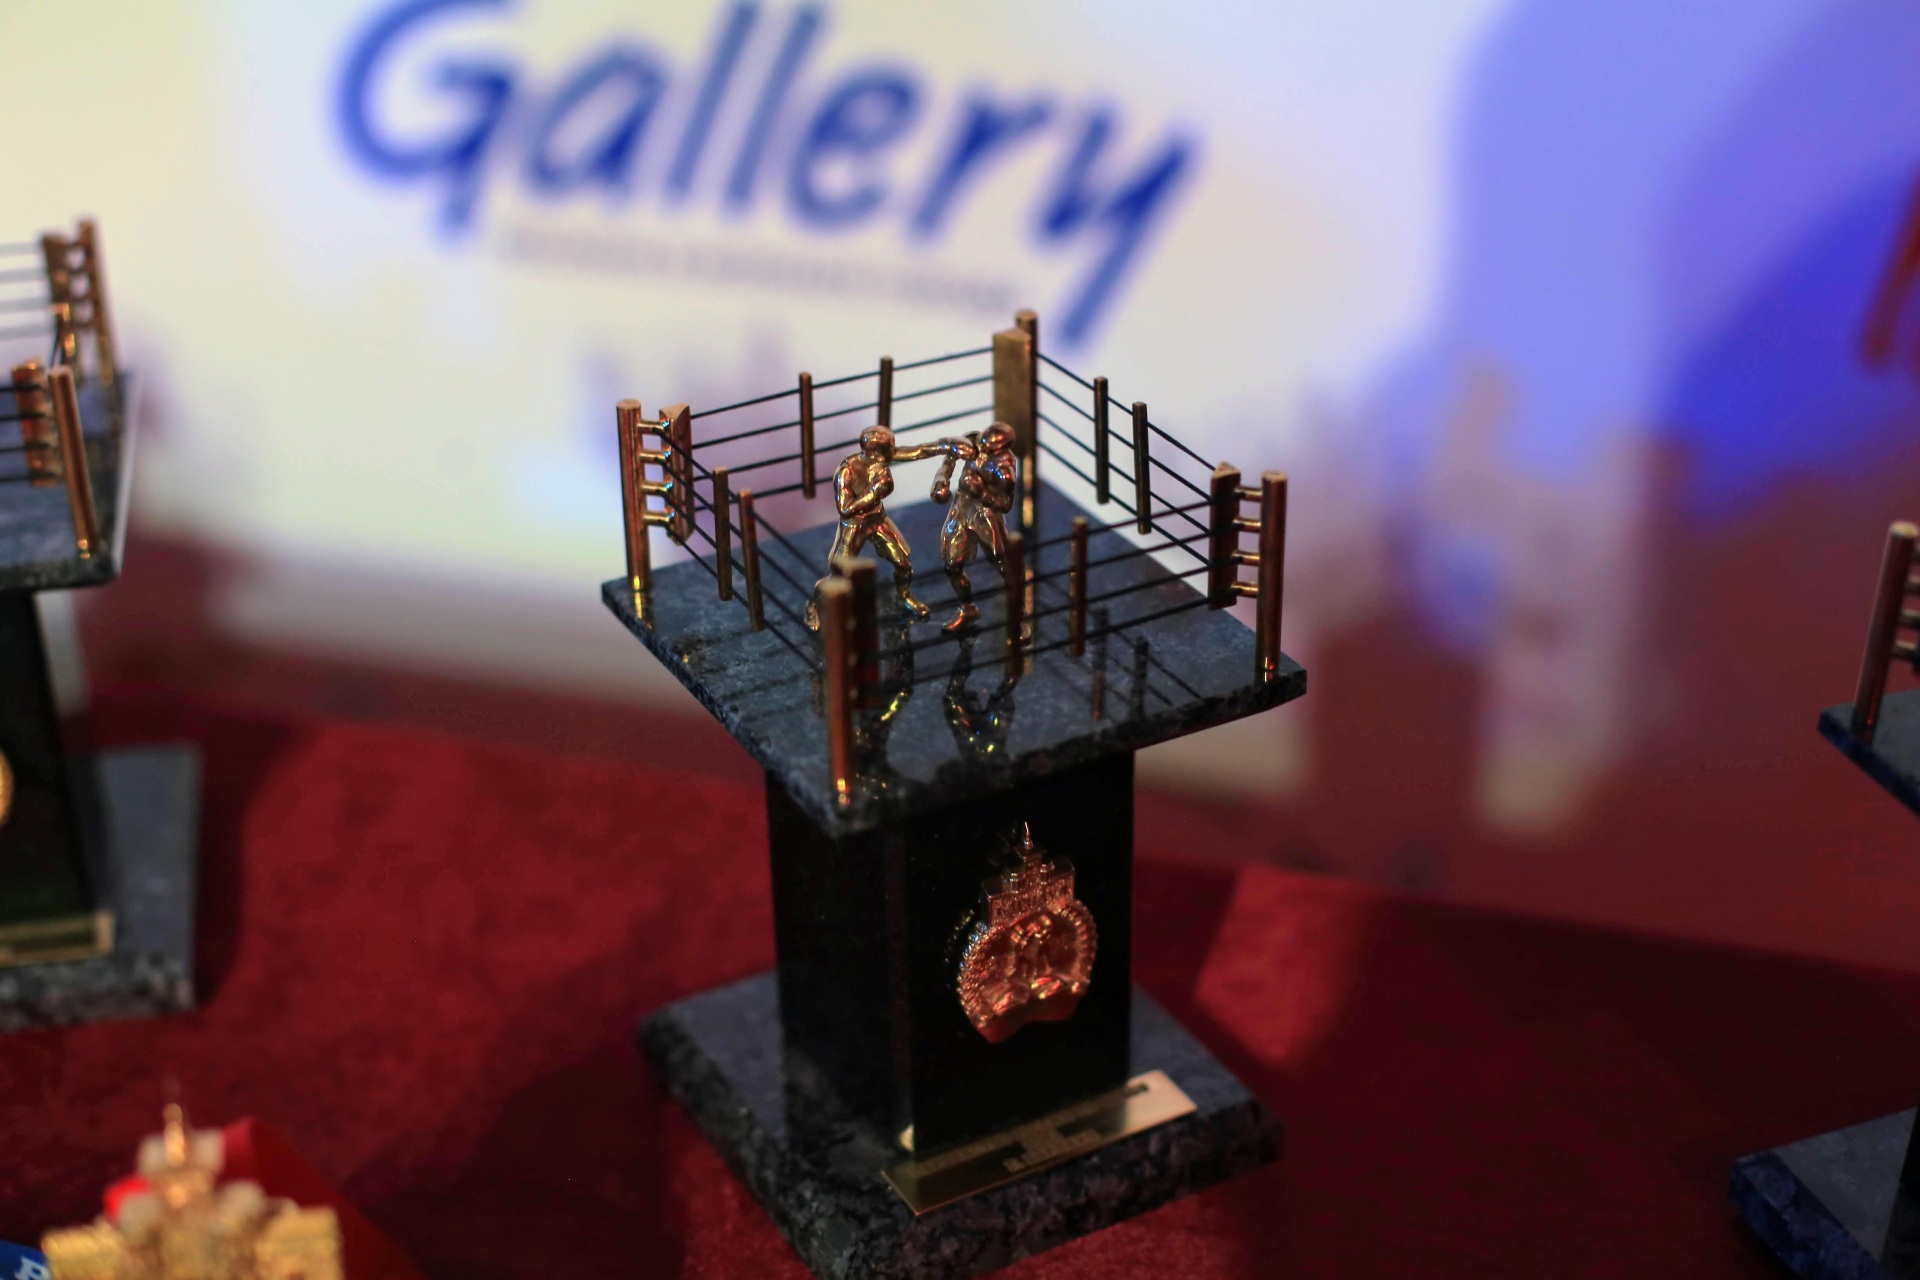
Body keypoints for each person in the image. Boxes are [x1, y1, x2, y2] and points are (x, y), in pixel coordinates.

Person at [804, 426, 944, 629]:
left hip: (877, 519)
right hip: (854, 526)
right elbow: (845, 509)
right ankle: (813, 605)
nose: (892, 453)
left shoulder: (881, 458)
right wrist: (875, 491)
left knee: (903, 563)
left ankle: (904, 595)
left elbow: (917, 451)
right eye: (888, 449)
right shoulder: (847, 471)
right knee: (839, 574)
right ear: (875, 451)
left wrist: (945, 446)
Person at [930, 421, 1018, 632]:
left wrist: (980, 490)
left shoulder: (1005, 470)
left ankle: (1019, 616)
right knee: (951, 564)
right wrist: (941, 478)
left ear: (1001, 450)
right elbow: (950, 458)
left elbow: (1005, 505)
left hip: (987, 515)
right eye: (982, 444)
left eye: (989, 449)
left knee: (1004, 564)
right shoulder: (972, 441)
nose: (982, 450)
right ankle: (967, 608)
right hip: (961, 508)